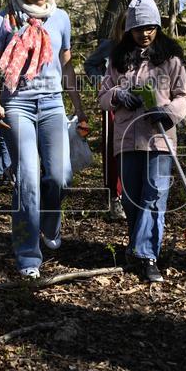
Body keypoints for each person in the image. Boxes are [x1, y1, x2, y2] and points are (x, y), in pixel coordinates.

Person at [0, 0, 88, 279]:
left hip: (53, 104)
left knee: (59, 175)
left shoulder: (61, 19)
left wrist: (79, 107)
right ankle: (28, 254)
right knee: (28, 177)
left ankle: (50, 221)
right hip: (17, 104)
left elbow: (67, 65)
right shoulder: (2, 20)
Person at [97, 0, 186, 283]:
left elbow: (184, 95)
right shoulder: (117, 59)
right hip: (126, 139)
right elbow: (102, 96)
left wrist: (169, 113)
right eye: (139, 28)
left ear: (158, 26)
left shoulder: (171, 59)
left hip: (159, 140)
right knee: (132, 200)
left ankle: (147, 256)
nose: (145, 33)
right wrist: (117, 96)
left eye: (150, 27)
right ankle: (136, 248)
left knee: (154, 196)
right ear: (129, 30)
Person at [83, 14, 129, 220]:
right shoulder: (111, 46)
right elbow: (90, 64)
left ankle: (133, 195)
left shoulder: (146, 48)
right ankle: (115, 198)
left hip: (137, 105)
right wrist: (103, 85)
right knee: (113, 150)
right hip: (113, 105)